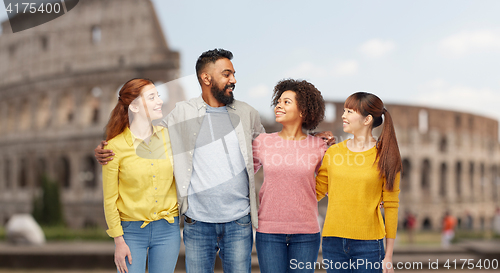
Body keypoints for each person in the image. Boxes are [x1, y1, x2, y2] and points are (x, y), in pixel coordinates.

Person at [316, 92, 401, 273]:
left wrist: (389, 256)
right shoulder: (332, 153)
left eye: (349, 112)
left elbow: (392, 206)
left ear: (367, 119)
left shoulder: (386, 157)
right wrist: (310, 148)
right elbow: (315, 192)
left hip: (369, 245)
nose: (343, 115)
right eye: (344, 110)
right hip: (333, 241)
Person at [102, 78, 180, 273]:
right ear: (134, 107)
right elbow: (110, 199)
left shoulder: (171, 137)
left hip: (168, 230)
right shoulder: (114, 148)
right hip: (130, 233)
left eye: (158, 96)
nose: (159, 102)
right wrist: (118, 241)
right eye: (152, 97)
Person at [252, 79, 328, 273]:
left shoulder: (319, 146)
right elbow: (241, 175)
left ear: (302, 111)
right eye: (278, 101)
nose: (278, 105)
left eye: (286, 102)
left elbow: (331, 184)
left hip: (306, 232)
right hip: (269, 231)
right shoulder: (262, 142)